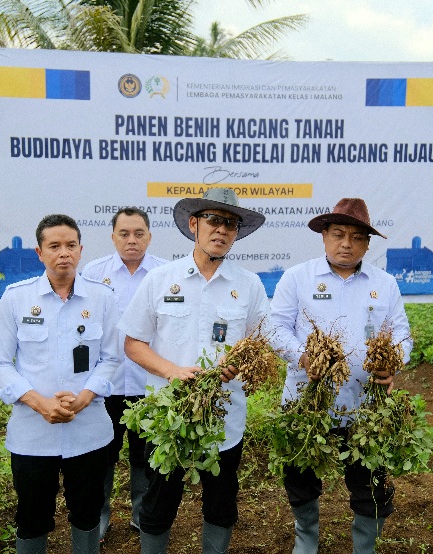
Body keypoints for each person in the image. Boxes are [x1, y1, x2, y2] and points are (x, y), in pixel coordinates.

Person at [119, 188, 269, 554]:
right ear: (194, 224)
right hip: (168, 418)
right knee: (157, 506)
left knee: (220, 506)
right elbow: (133, 343)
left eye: (230, 224)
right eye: (213, 220)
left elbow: (260, 345)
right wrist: (171, 371)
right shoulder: (160, 279)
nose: (221, 230)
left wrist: (239, 365)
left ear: (236, 233)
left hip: (224, 420)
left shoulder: (248, 285)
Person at [269, 198, 412, 554]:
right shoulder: (297, 278)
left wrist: (392, 361)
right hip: (307, 405)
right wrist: (303, 356)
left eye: (356, 236)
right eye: (338, 234)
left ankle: (364, 547)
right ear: (324, 237)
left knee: (371, 487)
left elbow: (403, 335)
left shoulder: (385, 284)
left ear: (367, 243)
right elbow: (275, 330)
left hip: (366, 409)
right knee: (301, 480)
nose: (346, 243)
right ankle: (306, 539)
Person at [0, 214, 120, 554]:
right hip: (33, 432)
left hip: (88, 428)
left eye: (71, 245)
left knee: (88, 512)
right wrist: (39, 402)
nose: (64, 253)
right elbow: (0, 363)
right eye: (54, 246)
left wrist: (83, 398)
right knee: (32, 514)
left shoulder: (103, 298)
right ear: (39, 252)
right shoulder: (16, 298)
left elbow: (111, 359)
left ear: (81, 250)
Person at [81, 207, 168, 540]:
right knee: (103, 454)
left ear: (149, 235)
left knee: (145, 455)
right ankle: (101, 517)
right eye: (124, 234)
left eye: (139, 233)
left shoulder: (164, 273)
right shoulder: (93, 272)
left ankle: (142, 514)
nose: (132, 240)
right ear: (113, 236)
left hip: (150, 384)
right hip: (106, 385)